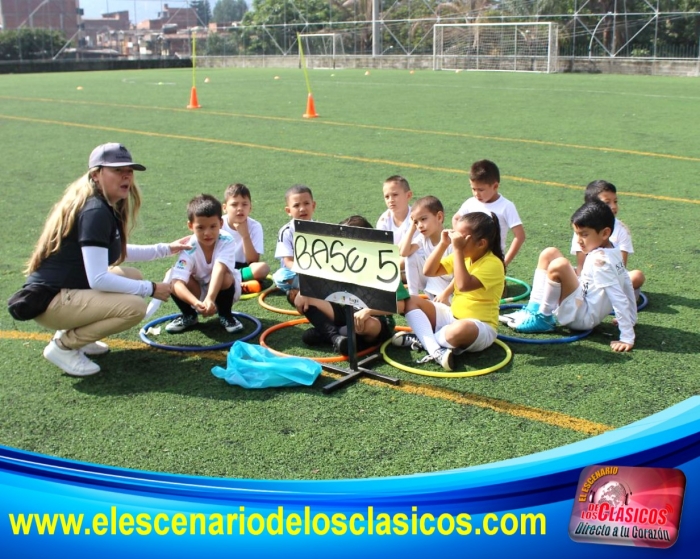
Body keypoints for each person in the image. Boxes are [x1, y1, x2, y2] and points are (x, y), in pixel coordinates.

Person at [19, 143, 188, 377]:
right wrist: (151, 288)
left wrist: (166, 249)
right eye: (117, 170)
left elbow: (116, 252)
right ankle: (64, 346)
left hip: (64, 292)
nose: (127, 175)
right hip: (51, 301)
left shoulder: (101, 205)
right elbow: (98, 279)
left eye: (129, 170)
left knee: (133, 276)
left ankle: (78, 336)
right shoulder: (95, 211)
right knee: (134, 307)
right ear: (96, 174)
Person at [513, 200, 637, 352]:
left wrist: (627, 336)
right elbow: (627, 283)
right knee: (549, 253)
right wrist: (632, 318)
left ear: (605, 233)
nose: (579, 241)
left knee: (559, 265)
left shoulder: (601, 262)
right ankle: (533, 309)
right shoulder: (614, 251)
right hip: (582, 302)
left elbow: (619, 297)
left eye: (584, 235)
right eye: (577, 234)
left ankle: (543, 318)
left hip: (581, 318)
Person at [393, 212, 506, 371]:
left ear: (481, 243)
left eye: (461, 239)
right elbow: (429, 270)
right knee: (411, 300)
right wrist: (443, 244)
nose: (456, 242)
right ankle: (434, 347)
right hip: (452, 316)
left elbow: (462, 285)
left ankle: (424, 339)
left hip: (480, 327)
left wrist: (458, 250)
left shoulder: (493, 264)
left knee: (461, 329)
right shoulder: (465, 255)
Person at [294, 216, 409, 355]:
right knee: (302, 297)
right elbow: (316, 283)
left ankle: (327, 333)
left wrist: (369, 311)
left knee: (368, 324)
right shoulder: (339, 260)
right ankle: (335, 337)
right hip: (345, 311)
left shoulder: (384, 266)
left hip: (373, 320)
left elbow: (401, 304)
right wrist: (304, 291)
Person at [165, 194, 243, 334]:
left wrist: (210, 298)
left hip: (225, 290)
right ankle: (189, 315)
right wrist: (196, 303)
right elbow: (177, 282)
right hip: (199, 293)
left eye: (213, 226)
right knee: (171, 276)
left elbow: (219, 269)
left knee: (225, 276)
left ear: (221, 223)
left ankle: (226, 315)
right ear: (190, 226)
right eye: (200, 227)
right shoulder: (189, 247)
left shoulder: (226, 240)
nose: (207, 233)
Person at [571, 180, 645, 294]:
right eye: (607, 202)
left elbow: (620, 268)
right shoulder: (582, 228)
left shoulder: (622, 230)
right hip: (588, 277)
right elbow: (581, 266)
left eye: (615, 201)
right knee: (558, 265)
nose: (614, 206)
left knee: (637, 276)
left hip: (612, 278)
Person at [451, 159, 525, 267]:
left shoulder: (506, 206)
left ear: (495, 186)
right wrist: (459, 237)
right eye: (473, 189)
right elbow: (456, 218)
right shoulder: (470, 202)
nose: (476, 194)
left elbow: (520, 236)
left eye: (481, 190)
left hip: (493, 259)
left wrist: (504, 263)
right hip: (471, 257)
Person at [399, 196, 454, 303]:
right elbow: (404, 252)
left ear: (439, 217)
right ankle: (413, 296)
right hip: (432, 283)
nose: (419, 225)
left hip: (451, 290)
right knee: (411, 255)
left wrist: (445, 294)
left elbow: (459, 275)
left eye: (423, 219)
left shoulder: (452, 240)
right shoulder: (423, 238)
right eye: (416, 222)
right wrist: (412, 227)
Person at [221, 183, 270, 292]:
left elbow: (253, 260)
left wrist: (245, 236)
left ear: (250, 207)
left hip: (242, 269)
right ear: (225, 208)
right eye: (234, 204)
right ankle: (239, 285)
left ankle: (232, 283)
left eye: (244, 204)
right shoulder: (218, 224)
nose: (240, 208)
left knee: (263, 268)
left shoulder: (255, 226)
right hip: (221, 267)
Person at [272, 184, 316, 304]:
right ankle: (303, 289)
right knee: (280, 277)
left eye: (306, 203)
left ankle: (303, 290)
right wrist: (305, 271)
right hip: (295, 273)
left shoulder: (321, 229)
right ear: (288, 211)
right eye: (296, 205)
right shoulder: (286, 232)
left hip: (317, 271)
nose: (302, 209)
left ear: (313, 205)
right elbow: (288, 261)